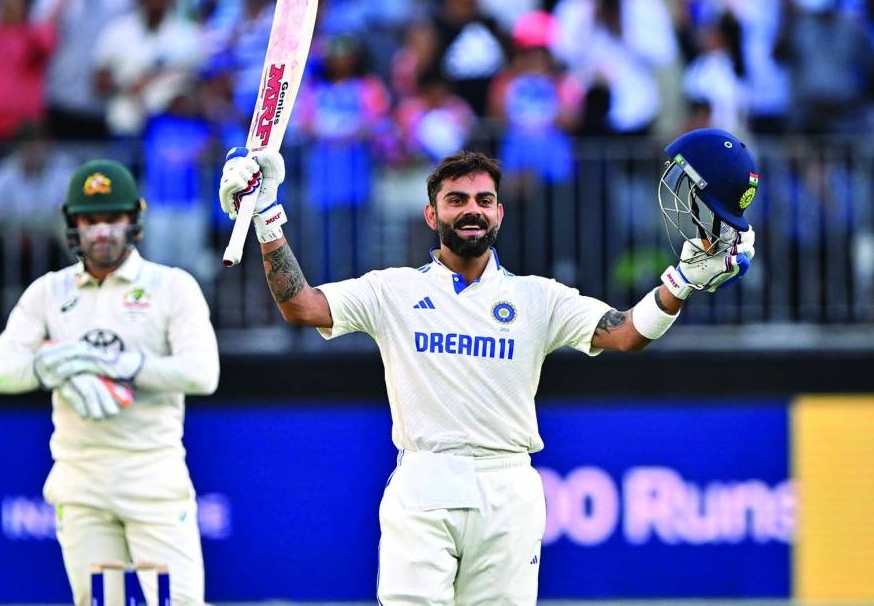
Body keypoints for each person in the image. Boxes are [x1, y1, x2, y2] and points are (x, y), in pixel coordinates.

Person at [218, 127, 758, 604]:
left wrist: (682, 282)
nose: (471, 210)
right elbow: (301, 305)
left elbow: (626, 333)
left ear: (499, 212)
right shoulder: (391, 290)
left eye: (483, 200)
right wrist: (265, 216)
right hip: (424, 481)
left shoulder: (539, 298)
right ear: (432, 215)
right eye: (456, 200)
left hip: (508, 489)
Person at [0, 159, 219, 606]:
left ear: (134, 220)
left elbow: (203, 374)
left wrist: (117, 363)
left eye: (113, 219)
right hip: (80, 482)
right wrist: (52, 366)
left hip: (153, 478)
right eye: (90, 221)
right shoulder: (49, 292)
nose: (102, 232)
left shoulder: (172, 286)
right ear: (73, 225)